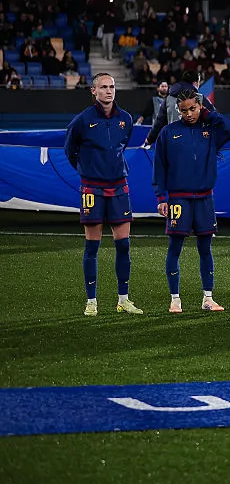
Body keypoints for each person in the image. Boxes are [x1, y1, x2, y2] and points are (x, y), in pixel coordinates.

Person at [64, 73, 142, 316]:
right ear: (93, 91)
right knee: (92, 247)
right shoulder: (81, 121)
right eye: (104, 87)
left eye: (112, 87)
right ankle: (91, 302)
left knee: (124, 246)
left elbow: (122, 146)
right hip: (92, 189)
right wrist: (88, 171)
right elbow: (70, 151)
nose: (109, 91)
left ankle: (123, 300)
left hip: (119, 188)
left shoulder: (126, 119)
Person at [153, 89, 230, 313]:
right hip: (178, 199)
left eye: (193, 108)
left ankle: (208, 299)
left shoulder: (210, 130)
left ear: (201, 106)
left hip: (204, 199)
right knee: (175, 248)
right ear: (177, 110)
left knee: (205, 249)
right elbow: (159, 166)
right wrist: (162, 197)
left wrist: (209, 114)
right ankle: (175, 299)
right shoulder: (168, 132)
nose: (189, 114)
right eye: (184, 110)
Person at [144, 70, 215, 146]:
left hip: (173, 144)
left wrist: (149, 139)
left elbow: (159, 122)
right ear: (195, 83)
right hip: (195, 144)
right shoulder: (200, 98)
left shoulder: (168, 99)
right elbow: (214, 118)